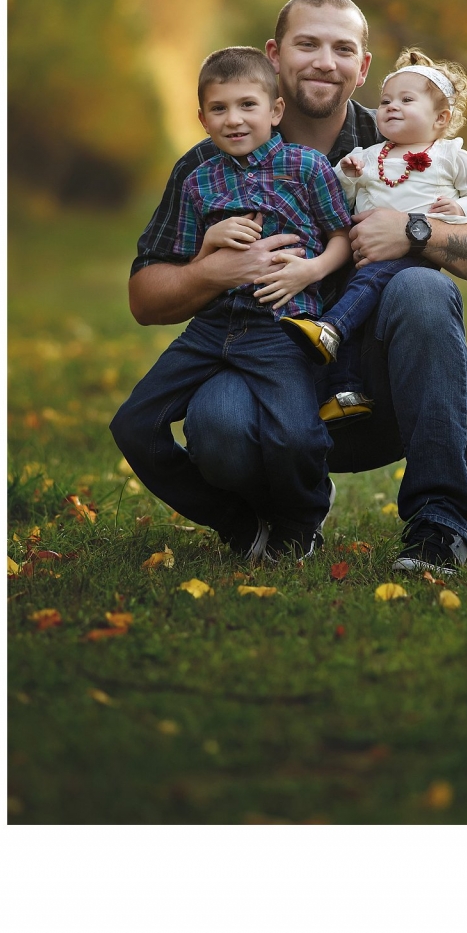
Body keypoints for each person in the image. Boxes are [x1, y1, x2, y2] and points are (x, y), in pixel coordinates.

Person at [117, 0, 467, 575]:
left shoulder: (404, 142)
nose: (324, 61)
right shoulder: (212, 162)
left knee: (424, 289)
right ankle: (277, 521)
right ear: (275, 56)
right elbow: (143, 297)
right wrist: (211, 271)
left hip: (375, 394)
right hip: (261, 369)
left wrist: (412, 230)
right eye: (307, 44)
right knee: (215, 425)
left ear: (363, 66)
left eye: (343, 48)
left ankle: (440, 523)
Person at [110, 45, 354, 560]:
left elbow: (343, 239)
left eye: (247, 105)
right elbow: (178, 269)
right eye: (219, 109)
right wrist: (207, 247)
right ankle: (236, 522)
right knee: (133, 424)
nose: (234, 119)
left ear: (275, 111)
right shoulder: (198, 180)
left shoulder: (307, 168)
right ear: (201, 118)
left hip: (279, 327)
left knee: (295, 436)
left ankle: (302, 518)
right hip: (211, 326)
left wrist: (310, 270)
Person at [279, 47, 467, 410]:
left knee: (362, 291)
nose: (391, 106)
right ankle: (345, 391)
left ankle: (329, 328)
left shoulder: (450, 155)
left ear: (441, 118)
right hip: (364, 259)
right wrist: (346, 176)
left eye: (406, 100)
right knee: (359, 304)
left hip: (414, 261)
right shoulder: (369, 155)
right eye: (386, 100)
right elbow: (337, 201)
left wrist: (459, 207)